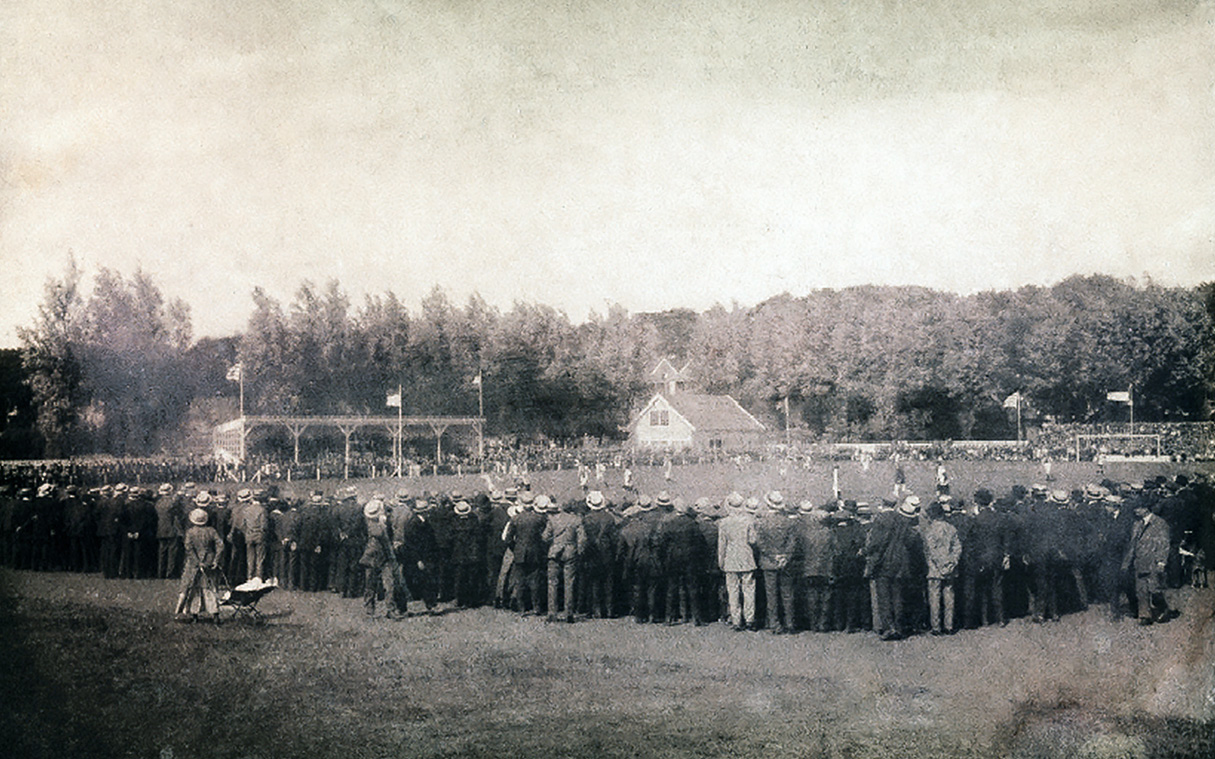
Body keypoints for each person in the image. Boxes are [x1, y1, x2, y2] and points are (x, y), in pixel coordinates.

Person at [1121, 500, 1173, 625]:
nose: (1135, 511)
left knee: (1154, 589)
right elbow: (1132, 545)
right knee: (1141, 590)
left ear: (1146, 508)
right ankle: (1145, 616)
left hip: (1153, 561)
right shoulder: (1137, 524)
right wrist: (1126, 563)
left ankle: (1164, 610)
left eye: (1138, 508)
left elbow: (1164, 544)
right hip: (1139, 562)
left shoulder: (1160, 523)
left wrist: (1161, 562)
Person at [175, 505, 225, 624]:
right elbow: (220, 545)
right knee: (210, 588)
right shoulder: (211, 531)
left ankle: (194, 614)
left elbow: (189, 549)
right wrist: (216, 560)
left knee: (194, 589)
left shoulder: (190, 532)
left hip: (194, 564)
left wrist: (197, 562)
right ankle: (215, 614)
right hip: (210, 561)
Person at [542, 495, 587, 623]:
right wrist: (579, 551)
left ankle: (552, 613)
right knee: (569, 583)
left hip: (554, 552)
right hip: (570, 551)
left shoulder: (553, 520)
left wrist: (552, 543)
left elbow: (545, 537)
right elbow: (582, 539)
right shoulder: (576, 520)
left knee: (552, 583)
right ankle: (569, 613)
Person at [717, 492, 758, 631]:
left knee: (733, 591)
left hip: (731, 558)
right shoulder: (748, 521)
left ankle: (736, 620)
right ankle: (750, 619)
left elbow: (721, 545)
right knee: (749, 590)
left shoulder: (723, 522)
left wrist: (721, 561)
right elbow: (753, 540)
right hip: (746, 557)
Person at [920, 500, 961, 635]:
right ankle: (949, 625)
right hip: (950, 568)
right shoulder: (951, 528)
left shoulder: (929, 531)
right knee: (949, 597)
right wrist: (952, 562)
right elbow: (957, 547)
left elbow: (932, 551)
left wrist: (941, 564)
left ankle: (936, 627)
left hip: (935, 569)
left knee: (934, 598)